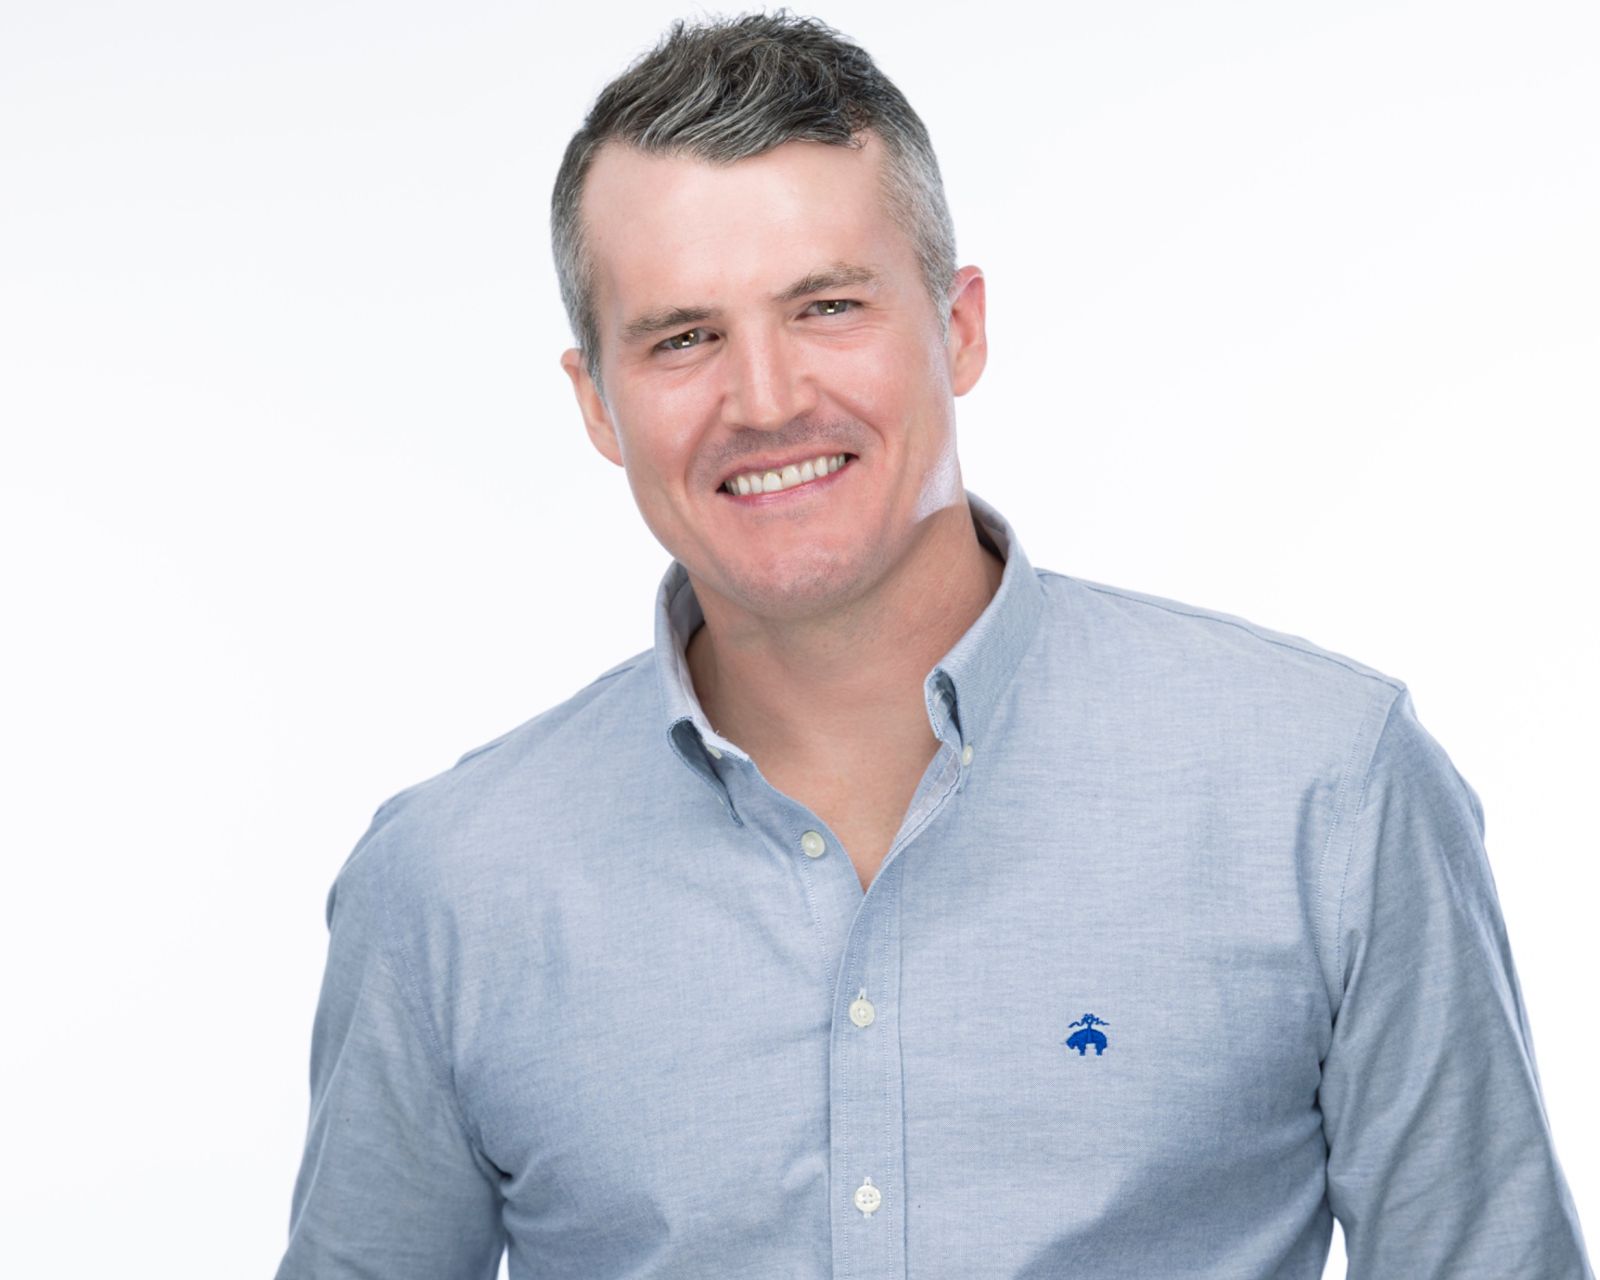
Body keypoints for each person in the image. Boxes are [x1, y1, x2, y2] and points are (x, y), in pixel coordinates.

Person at [274, 11, 1594, 1278]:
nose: (769, 398)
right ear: (598, 403)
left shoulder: (1326, 791)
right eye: (683, 337)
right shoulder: (447, 888)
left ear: (958, 326)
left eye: (829, 307)